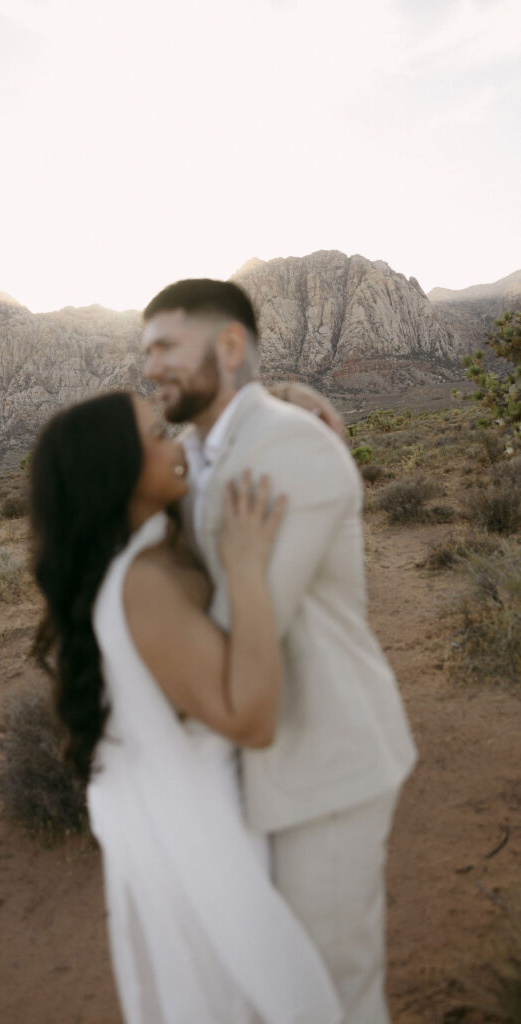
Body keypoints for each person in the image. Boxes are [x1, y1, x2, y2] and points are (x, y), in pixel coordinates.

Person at [140, 278, 418, 1024]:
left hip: (321, 762)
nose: (150, 366)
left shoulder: (291, 452)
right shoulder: (193, 449)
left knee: (327, 989)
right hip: (242, 763)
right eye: (144, 352)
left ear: (230, 347)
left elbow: (231, 635)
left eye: (165, 346)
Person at [29, 391, 342, 1024]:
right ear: (117, 470)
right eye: (158, 435)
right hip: (219, 823)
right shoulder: (143, 585)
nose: (178, 446)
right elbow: (250, 720)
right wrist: (247, 571)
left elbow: (227, 457)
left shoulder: (158, 544)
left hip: (233, 803)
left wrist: (300, 424)